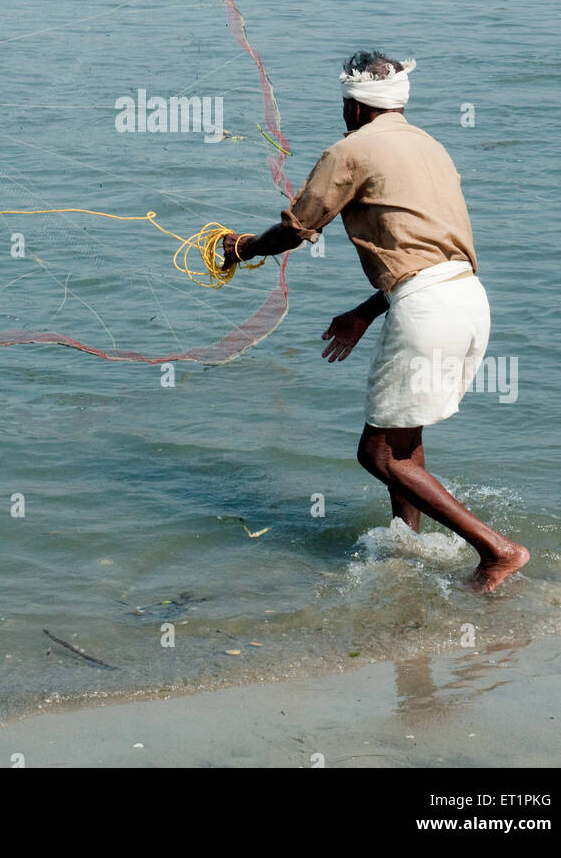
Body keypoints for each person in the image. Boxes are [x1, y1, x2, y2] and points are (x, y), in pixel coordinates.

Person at [222, 51, 529, 593]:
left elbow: (296, 229)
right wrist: (365, 312)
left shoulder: (350, 151)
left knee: (378, 453)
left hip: (426, 307)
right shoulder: (430, 146)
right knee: (404, 441)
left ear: (355, 107)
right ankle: (404, 544)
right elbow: (430, 249)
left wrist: (242, 248)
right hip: (465, 299)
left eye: (345, 104)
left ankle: (497, 551)